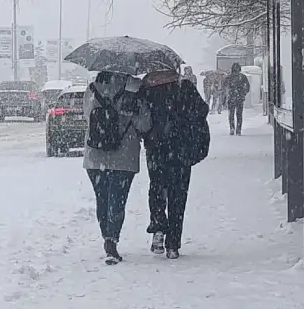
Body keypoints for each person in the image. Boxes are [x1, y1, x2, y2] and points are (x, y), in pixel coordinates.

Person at [139, 70, 210, 259]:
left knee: (156, 189)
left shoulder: (147, 89)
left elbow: (141, 119)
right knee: (178, 196)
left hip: (156, 149)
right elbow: (202, 110)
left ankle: (159, 227)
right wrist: (183, 121)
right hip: (181, 151)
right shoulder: (184, 87)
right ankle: (173, 244)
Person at [83, 70, 151, 265]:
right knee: (117, 200)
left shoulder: (92, 89)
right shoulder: (134, 93)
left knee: (102, 198)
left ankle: (106, 235)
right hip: (124, 156)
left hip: (95, 155)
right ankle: (112, 239)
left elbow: (87, 116)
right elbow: (144, 124)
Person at [224, 63, 250, 135]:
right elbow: (247, 87)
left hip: (231, 97)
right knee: (239, 115)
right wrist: (243, 93)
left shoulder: (228, 77)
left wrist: (228, 93)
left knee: (231, 114)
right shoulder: (243, 77)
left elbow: (224, 86)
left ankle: (232, 128)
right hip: (239, 98)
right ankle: (238, 130)